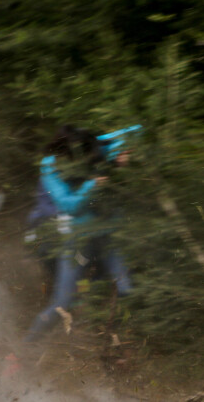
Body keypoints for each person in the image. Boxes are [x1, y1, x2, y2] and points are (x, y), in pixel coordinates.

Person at [24, 124, 138, 342]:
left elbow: (135, 131)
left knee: (126, 289)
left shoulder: (93, 148)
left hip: (107, 234)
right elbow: (69, 206)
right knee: (62, 304)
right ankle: (25, 349)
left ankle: (115, 342)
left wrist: (121, 153)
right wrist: (91, 186)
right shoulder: (50, 168)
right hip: (77, 240)